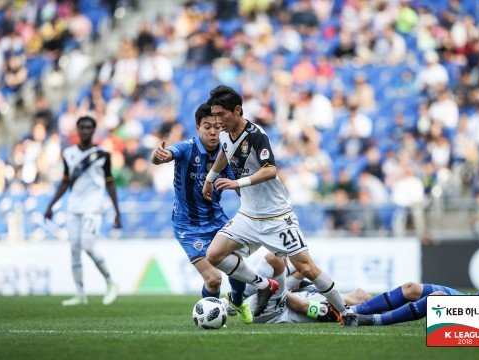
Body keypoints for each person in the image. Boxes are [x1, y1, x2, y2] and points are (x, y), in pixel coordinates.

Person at [202, 85, 358, 327]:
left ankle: (346, 311)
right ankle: (264, 285)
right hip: (248, 215)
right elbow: (225, 151)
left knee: (305, 267)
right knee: (214, 255)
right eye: (214, 115)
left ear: (237, 110)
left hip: (277, 216)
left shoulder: (256, 135)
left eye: (222, 114)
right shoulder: (224, 133)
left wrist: (236, 182)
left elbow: (271, 169)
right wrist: (210, 179)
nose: (217, 121)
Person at [150, 103, 252, 324]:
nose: (213, 132)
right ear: (198, 128)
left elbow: (235, 183)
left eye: (217, 127)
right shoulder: (186, 148)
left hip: (216, 219)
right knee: (214, 279)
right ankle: (212, 319)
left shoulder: (226, 151)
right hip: (188, 225)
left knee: (237, 263)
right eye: (207, 127)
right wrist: (158, 156)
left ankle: (236, 299)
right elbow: (164, 156)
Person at [353, 210, 479, 326]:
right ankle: (351, 310)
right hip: (477, 302)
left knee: (437, 297)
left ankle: (375, 320)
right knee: (410, 288)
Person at [44, 116, 121, 306]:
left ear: (93, 130)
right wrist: (51, 205)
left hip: (92, 208)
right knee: (74, 250)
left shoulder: (102, 155)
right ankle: (80, 294)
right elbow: (65, 180)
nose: (85, 131)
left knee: (88, 245)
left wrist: (116, 211)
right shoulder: (68, 153)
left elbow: (110, 183)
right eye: (82, 128)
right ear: (77, 130)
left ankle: (111, 282)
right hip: (74, 207)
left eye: (88, 127)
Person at [245, 253, 372, 324]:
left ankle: (239, 297)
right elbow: (303, 272)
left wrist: (277, 287)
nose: (365, 292)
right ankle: (244, 293)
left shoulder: (332, 310)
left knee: (275, 260)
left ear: (360, 305)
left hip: (272, 313)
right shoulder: (331, 294)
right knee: (299, 263)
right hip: (275, 299)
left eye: (368, 299)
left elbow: (299, 306)